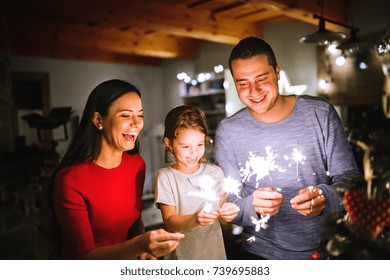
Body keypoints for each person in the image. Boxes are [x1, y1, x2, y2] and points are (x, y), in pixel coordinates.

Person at [214, 37, 360, 259]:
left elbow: (352, 180)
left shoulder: (320, 113)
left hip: (328, 253)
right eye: (243, 83)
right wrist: (251, 205)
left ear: (277, 72)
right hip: (261, 256)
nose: (254, 91)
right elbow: (229, 207)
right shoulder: (228, 130)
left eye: (262, 78)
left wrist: (326, 197)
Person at [50, 79, 184, 259]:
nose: (137, 123)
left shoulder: (136, 164)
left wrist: (143, 251)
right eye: (126, 115)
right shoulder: (70, 179)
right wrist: (138, 245)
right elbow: (83, 257)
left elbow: (134, 221)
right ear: (99, 120)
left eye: (140, 115)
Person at [154, 105, 239, 259]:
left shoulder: (215, 173)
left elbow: (223, 217)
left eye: (200, 145)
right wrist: (195, 219)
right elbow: (170, 221)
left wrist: (228, 213)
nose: (194, 152)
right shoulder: (166, 177)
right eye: (186, 146)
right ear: (169, 143)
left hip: (215, 256)